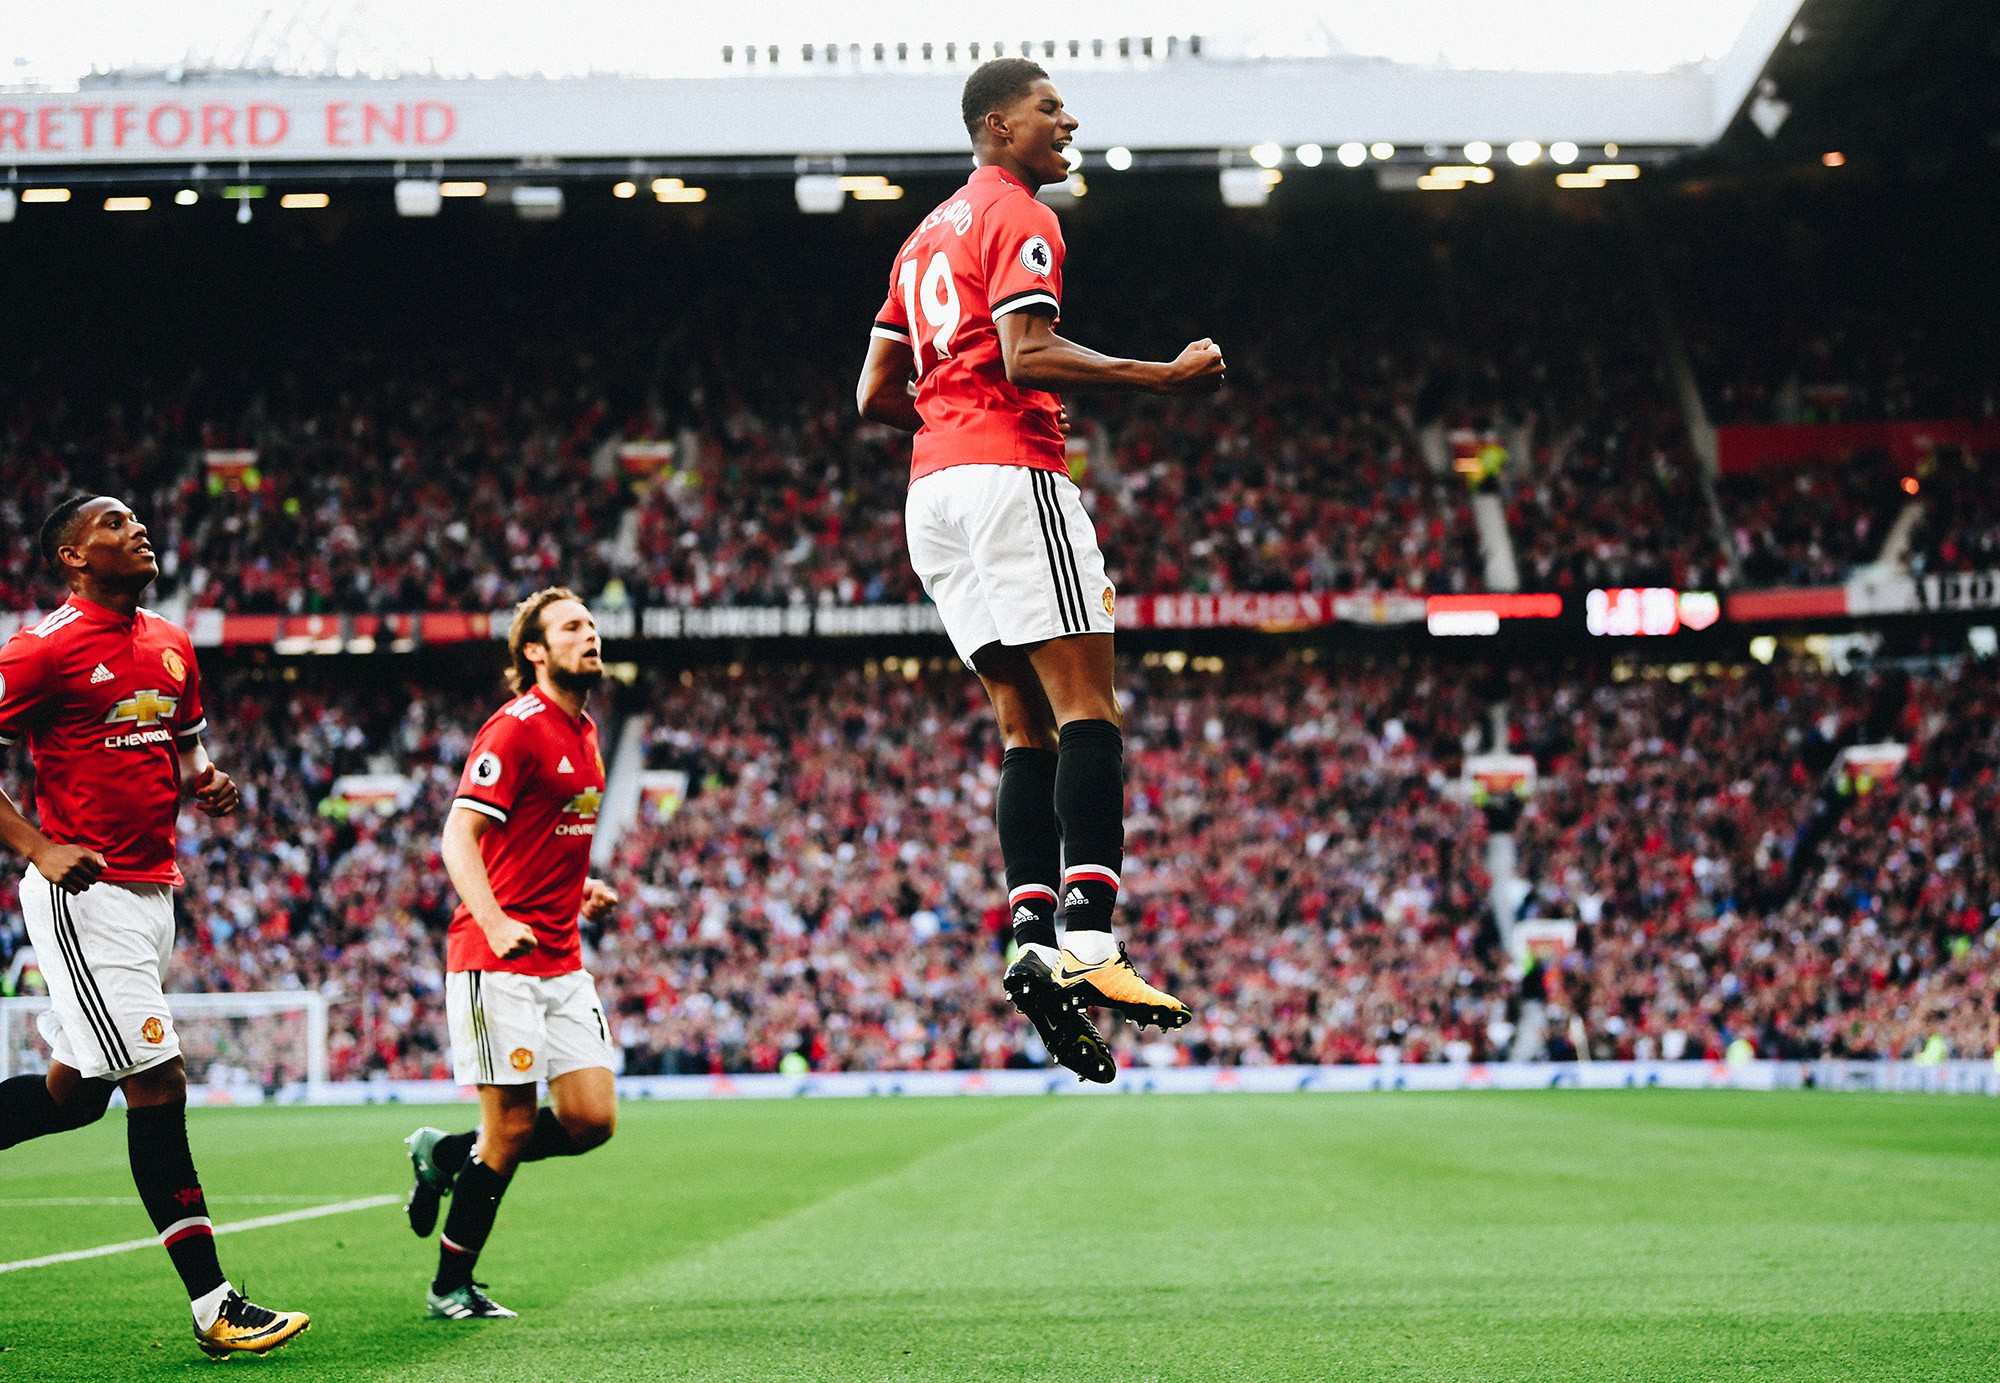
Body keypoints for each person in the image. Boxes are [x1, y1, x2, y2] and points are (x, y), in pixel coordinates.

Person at [855, 59, 1226, 1081]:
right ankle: (1094, 942)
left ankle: (1029, 938)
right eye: (1047, 108)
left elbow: (873, 391)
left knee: (1022, 727)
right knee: (1088, 713)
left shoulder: (921, 234)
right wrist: (1162, 375)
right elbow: (1024, 351)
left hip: (931, 496)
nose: (1067, 120)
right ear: (995, 124)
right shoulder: (1017, 213)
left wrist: (944, 423)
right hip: (1007, 477)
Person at [0, 495, 309, 1358]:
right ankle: (215, 1305)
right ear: (71, 555)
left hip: (150, 893)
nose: (136, 528)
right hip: (82, 895)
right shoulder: (41, 649)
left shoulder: (171, 641)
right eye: (111, 523)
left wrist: (205, 776)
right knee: (158, 1081)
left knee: (71, 1097)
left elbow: (186, 742)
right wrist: (39, 845)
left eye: (137, 518)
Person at [403, 586, 621, 1320]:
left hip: (560, 953)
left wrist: (580, 885)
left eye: (590, 624)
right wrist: (495, 921)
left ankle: (442, 1155)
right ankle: (448, 1285)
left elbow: (536, 837)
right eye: (570, 627)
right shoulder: (515, 729)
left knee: (591, 1119)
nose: (588, 634)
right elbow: (458, 835)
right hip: (495, 955)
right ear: (535, 650)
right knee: (513, 1128)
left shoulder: (585, 729)